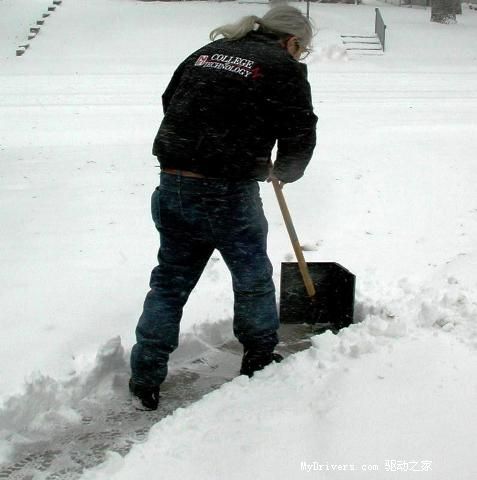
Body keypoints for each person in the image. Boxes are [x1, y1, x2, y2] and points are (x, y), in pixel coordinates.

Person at [129, 5, 318, 410]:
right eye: (301, 49)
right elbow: (300, 127)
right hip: (228, 191)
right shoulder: (282, 66)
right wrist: (285, 169)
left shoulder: (206, 53)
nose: (299, 55)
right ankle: (259, 358)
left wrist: (200, 144)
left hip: (173, 183)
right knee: (252, 278)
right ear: (291, 41)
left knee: (169, 282)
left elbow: (172, 100)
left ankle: (144, 374)